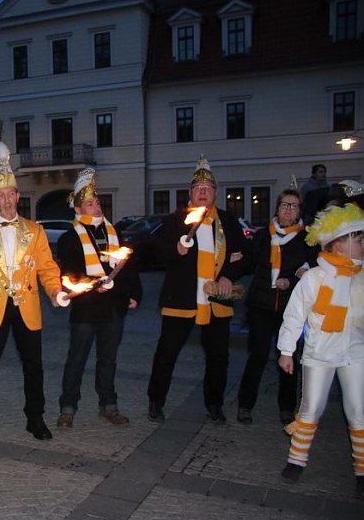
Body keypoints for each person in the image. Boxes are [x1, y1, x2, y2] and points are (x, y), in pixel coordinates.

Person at [0, 141, 68, 445]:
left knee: (33, 367)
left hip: (27, 305)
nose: (7, 200)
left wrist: (55, 290)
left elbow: (48, 267)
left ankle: (35, 419)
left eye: (11, 194)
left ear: (18, 197)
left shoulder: (34, 232)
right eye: (1, 195)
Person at [147, 156, 251, 423]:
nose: (203, 192)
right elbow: (156, 251)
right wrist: (175, 249)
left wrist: (229, 275)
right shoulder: (176, 220)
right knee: (167, 352)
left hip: (217, 299)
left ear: (215, 193)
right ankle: (156, 401)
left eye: (208, 189)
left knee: (218, 356)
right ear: (190, 193)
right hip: (181, 299)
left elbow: (244, 255)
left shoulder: (228, 222)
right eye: (198, 189)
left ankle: (214, 404)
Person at [277, 204, 364, 498]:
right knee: (311, 408)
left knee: (358, 411)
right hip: (319, 355)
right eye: (358, 238)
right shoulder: (314, 278)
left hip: (356, 353)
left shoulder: (362, 276)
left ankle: (362, 470)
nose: (363, 244)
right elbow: (293, 316)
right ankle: (296, 460)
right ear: (339, 245)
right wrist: (286, 351)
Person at [55, 168, 142, 429]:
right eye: (90, 204)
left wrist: (133, 294)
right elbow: (69, 273)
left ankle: (109, 405)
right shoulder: (70, 237)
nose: (97, 207)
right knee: (77, 359)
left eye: (98, 202)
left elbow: (127, 265)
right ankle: (68, 407)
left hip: (113, 308)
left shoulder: (113, 232)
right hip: (86, 309)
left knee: (108, 359)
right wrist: (93, 286)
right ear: (78, 209)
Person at [235, 186, 317, 425]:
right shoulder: (263, 235)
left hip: (291, 307)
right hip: (261, 304)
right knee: (257, 355)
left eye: (293, 206)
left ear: (299, 210)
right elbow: (250, 262)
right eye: (284, 205)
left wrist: (291, 279)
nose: (288, 210)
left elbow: (316, 264)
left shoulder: (307, 237)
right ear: (277, 209)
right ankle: (245, 405)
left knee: (288, 356)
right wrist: (234, 263)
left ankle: (286, 407)